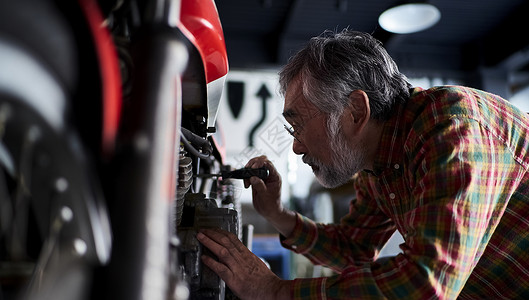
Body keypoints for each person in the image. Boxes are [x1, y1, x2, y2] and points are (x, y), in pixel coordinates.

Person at [197, 29, 529, 299]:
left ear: (356, 110)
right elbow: (354, 248)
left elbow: (426, 284)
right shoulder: (379, 163)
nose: (296, 146)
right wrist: (277, 214)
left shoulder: (452, 127)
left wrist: (275, 291)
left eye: (298, 126)